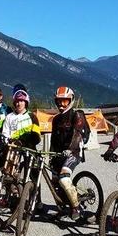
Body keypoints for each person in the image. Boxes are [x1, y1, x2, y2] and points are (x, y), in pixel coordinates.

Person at [50, 86, 86, 220]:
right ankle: (63, 207)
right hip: (59, 154)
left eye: (65, 101)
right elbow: (53, 139)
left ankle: (77, 207)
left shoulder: (77, 115)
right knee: (54, 181)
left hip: (74, 152)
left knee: (64, 179)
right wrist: (50, 154)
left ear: (71, 100)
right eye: (59, 101)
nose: (61, 104)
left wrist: (70, 149)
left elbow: (77, 135)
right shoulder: (56, 119)